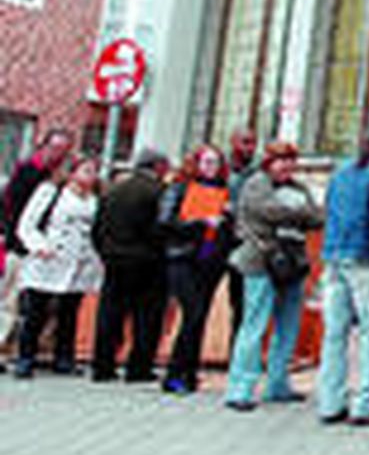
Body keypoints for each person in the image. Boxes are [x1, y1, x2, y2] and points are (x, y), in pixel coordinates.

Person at [224, 141, 323, 411]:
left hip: (293, 263)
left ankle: (278, 383)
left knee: (288, 326)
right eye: (281, 160)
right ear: (269, 162)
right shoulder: (257, 183)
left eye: (291, 160)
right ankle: (240, 388)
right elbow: (267, 211)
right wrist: (298, 213)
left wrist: (297, 215)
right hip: (261, 261)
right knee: (254, 325)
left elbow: (317, 217)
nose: (287, 166)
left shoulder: (299, 187)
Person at [316, 121, 369, 427]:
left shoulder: (340, 171)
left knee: (334, 333)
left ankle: (330, 403)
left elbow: (326, 208)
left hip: (334, 255)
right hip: (368, 257)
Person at [12, 155, 101, 378]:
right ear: (71, 172)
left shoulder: (94, 198)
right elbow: (27, 223)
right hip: (49, 258)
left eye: (93, 171)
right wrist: (38, 246)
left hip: (80, 260)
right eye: (86, 170)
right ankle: (25, 358)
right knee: (36, 312)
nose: (91, 176)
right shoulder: (50, 192)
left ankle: (63, 357)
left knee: (69, 312)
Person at [90, 148, 171, 383]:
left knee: (110, 314)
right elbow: (160, 228)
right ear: (158, 167)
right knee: (146, 316)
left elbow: (97, 229)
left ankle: (103, 365)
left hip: (114, 260)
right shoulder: (159, 192)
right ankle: (139, 367)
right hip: (149, 262)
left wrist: (105, 252)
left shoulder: (112, 190)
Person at [160, 144, 234, 394]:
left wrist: (228, 218)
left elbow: (230, 231)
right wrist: (200, 222)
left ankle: (189, 372)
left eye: (216, 162)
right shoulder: (180, 189)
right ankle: (174, 373)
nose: (211, 167)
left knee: (199, 316)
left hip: (210, 260)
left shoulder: (224, 191)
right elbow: (166, 221)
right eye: (206, 162)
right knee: (192, 313)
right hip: (182, 258)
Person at [1, 128, 75, 369]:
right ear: (44, 146)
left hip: (46, 251)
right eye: (55, 148)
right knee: (10, 301)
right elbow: (10, 207)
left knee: (33, 305)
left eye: (63, 150)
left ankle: (22, 350)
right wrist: (13, 240)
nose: (59, 154)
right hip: (20, 247)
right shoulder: (28, 171)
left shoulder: (58, 177)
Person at [224, 129, 259, 351]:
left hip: (244, 241)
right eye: (245, 142)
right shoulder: (223, 172)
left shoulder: (256, 175)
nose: (250, 148)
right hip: (216, 241)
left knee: (242, 301)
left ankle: (236, 350)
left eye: (253, 143)